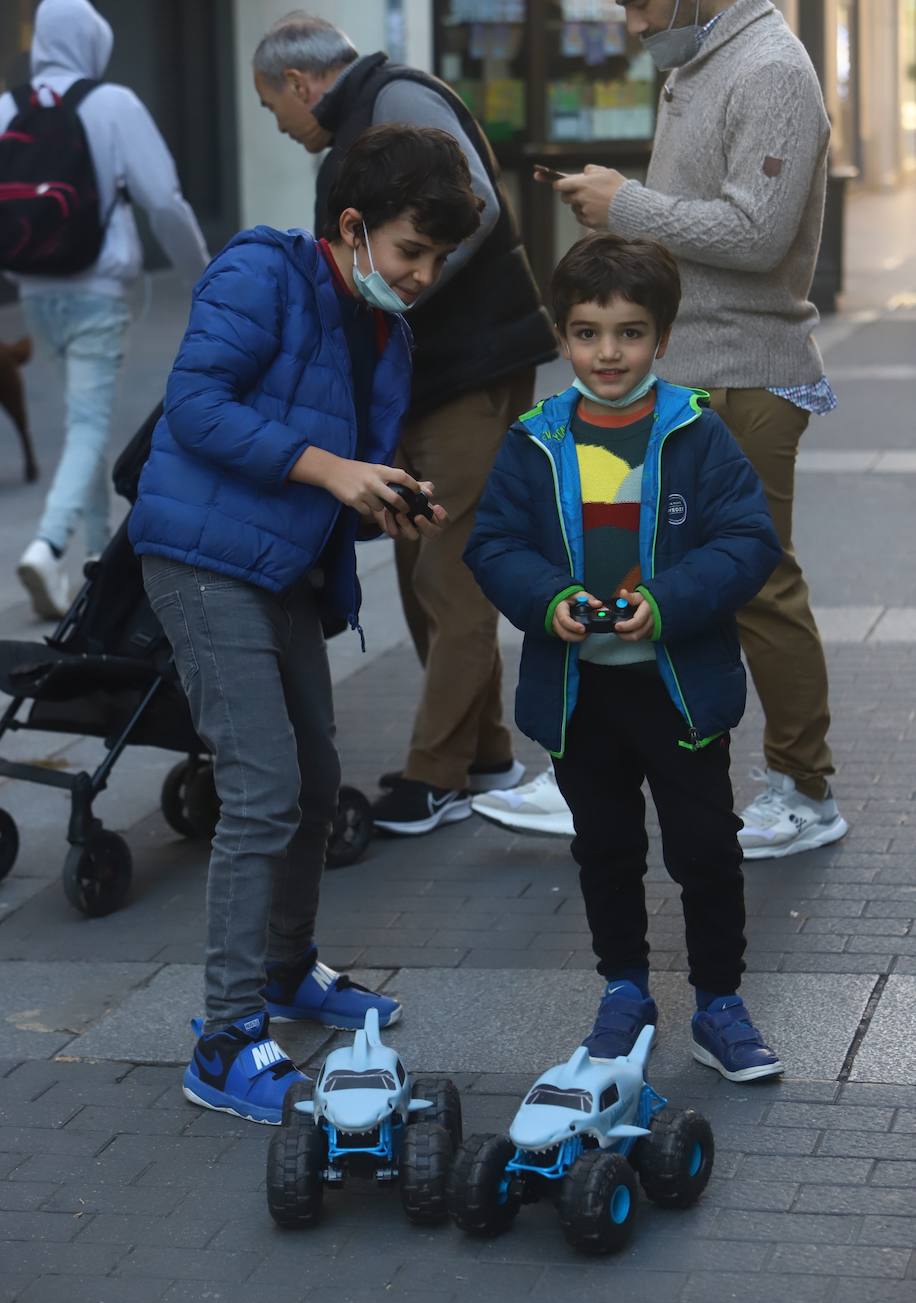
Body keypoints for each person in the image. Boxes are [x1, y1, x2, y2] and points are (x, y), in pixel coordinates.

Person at [129, 125, 482, 1124]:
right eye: (410, 253)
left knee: (317, 780)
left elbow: (333, 456)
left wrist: (381, 495)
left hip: (276, 567)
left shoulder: (384, 326)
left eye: (436, 262)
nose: (419, 277)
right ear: (351, 226)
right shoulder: (262, 271)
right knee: (263, 791)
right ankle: (225, 1038)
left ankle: (286, 974)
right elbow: (195, 405)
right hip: (200, 563)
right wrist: (333, 470)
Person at [526, 0, 848, 862]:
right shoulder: (700, 61)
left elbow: (757, 231)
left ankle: (805, 788)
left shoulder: (772, 68)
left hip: (748, 369)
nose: (631, 22)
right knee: (644, 563)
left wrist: (626, 203)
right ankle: (599, 761)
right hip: (692, 367)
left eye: (638, 2)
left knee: (757, 578)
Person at [465, 233, 784, 1082]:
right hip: (581, 695)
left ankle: (719, 1002)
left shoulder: (696, 433)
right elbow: (493, 544)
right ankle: (624, 991)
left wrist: (668, 602)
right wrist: (548, 599)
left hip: (678, 689)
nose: (609, 352)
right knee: (604, 847)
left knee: (706, 848)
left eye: (630, 332)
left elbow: (749, 540)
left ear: (662, 338)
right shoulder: (535, 441)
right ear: (565, 337)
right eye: (588, 332)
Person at [252, 13, 558, 836]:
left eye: (271, 107)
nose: (277, 127)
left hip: (471, 368)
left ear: (298, 83)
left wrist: (402, 290)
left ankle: (434, 775)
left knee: (451, 573)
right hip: (429, 375)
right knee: (425, 559)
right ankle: (485, 753)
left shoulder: (394, 100)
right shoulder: (366, 115)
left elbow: (478, 210)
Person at [0, 0, 208, 620]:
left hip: (37, 289)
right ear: (94, 41)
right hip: (98, 291)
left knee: (78, 423)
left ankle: (93, 564)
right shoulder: (113, 104)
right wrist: (205, 276)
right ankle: (49, 544)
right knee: (89, 426)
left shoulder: (8, 106)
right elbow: (163, 200)